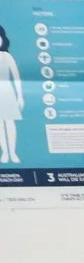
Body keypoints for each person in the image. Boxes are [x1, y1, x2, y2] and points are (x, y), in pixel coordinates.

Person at [0, 26, 22, 164]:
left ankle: (13, 152)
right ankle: (5, 153)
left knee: (10, 123)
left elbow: (17, 77)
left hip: (6, 91)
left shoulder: (6, 56)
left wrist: (20, 96)